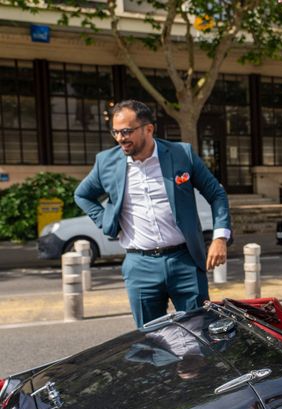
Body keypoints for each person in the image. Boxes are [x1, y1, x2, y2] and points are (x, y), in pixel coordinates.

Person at [75, 99, 231, 328]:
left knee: (200, 334)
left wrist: (220, 238)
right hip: (140, 265)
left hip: (184, 260)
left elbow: (216, 194)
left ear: (148, 129)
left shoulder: (181, 154)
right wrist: (107, 222)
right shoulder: (106, 162)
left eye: (127, 131)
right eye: (116, 132)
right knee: (151, 342)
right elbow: (82, 195)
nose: (120, 138)